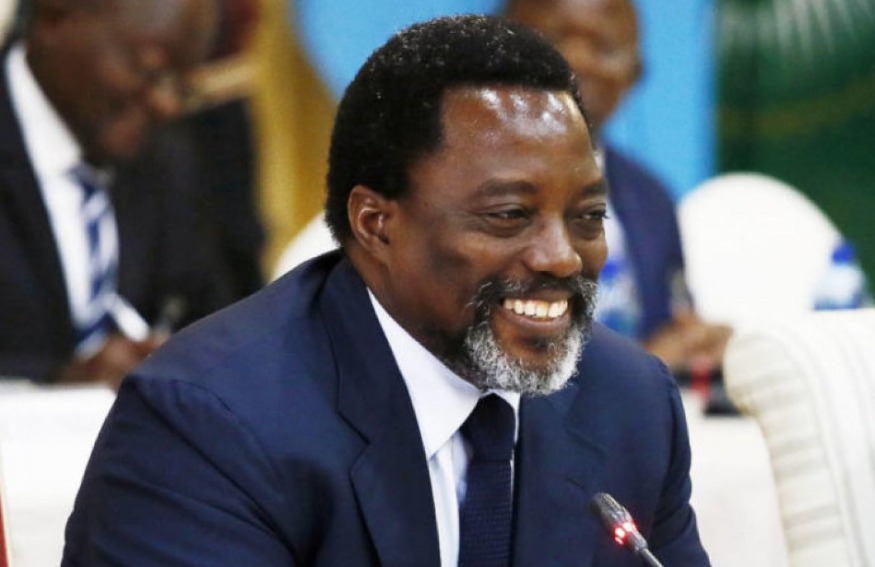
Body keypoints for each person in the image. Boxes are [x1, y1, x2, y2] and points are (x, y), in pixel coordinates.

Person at [63, 15, 710, 566]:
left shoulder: (629, 404)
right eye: (509, 215)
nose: (562, 256)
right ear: (376, 224)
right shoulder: (209, 423)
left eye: (588, 216)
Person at [0, 0, 234, 387]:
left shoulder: (167, 159)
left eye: (181, 86)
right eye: (148, 71)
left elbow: (211, 315)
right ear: (56, 18)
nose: (166, 104)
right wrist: (57, 384)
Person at [505, 0, 732, 376]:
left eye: (604, 47)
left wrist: (697, 346)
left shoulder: (651, 200)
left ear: (634, 75)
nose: (578, 60)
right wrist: (642, 366)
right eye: (555, 38)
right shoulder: (460, 190)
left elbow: (669, 330)